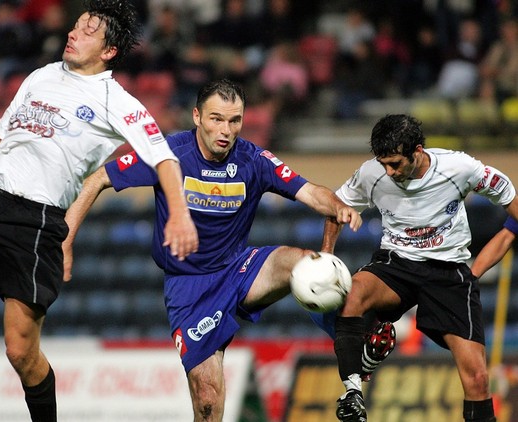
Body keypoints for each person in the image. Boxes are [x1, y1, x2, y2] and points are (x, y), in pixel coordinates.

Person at [0, 1, 198, 421]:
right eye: (74, 27)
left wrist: (181, 214)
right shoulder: (41, 76)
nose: (73, 34)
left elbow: (164, 158)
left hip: (35, 223)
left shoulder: (117, 100)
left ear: (108, 51)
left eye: (87, 32)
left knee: (20, 350)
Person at [62, 78, 362, 421]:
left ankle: (355, 337)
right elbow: (98, 178)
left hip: (239, 269)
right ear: (197, 117)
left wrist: (335, 204)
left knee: (304, 264)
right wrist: (66, 240)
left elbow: (310, 191)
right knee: (207, 400)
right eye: (216, 118)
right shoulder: (168, 154)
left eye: (234, 121)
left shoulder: (255, 159)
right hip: (188, 288)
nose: (226, 129)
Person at [323, 114, 518, 422]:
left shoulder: (460, 168)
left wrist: (477, 269)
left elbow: (513, 205)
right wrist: (326, 255)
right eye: (383, 163)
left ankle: (372, 348)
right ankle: (352, 394)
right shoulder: (372, 174)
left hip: (448, 272)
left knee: (478, 380)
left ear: (417, 151)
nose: (389, 171)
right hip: (396, 264)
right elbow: (337, 206)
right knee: (352, 293)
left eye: (395, 164)